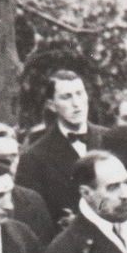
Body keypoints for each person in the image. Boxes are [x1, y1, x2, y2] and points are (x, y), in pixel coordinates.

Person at [18, 69, 108, 225]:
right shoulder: (34, 157)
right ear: (52, 105)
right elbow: (34, 217)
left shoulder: (108, 139)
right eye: (66, 97)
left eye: (80, 94)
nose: (76, 103)